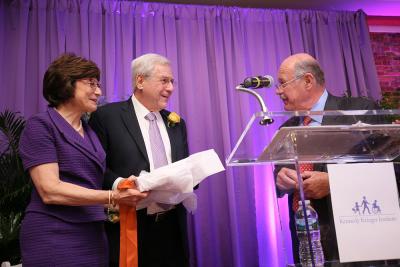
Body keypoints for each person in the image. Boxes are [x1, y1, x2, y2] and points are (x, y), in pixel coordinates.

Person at [18, 54, 148, 266]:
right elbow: (50, 191)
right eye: (91, 83)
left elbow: (89, 184)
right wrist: (112, 196)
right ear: (66, 83)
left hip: (93, 234)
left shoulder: (90, 132)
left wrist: (127, 189)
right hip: (54, 233)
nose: (99, 91)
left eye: (99, 84)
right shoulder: (41, 126)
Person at [274, 53, 387, 264]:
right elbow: (279, 174)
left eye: (282, 84)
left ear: (308, 80)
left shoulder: (357, 113)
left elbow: (389, 170)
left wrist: (334, 183)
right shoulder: (286, 129)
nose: (278, 91)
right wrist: (281, 179)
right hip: (306, 242)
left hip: (357, 242)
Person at [89, 53, 191, 267]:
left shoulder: (177, 123)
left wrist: (192, 176)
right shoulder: (107, 116)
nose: (171, 87)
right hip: (129, 225)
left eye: (172, 81)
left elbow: (184, 166)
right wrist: (121, 186)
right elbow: (94, 168)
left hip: (173, 227)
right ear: (140, 81)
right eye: (164, 80)